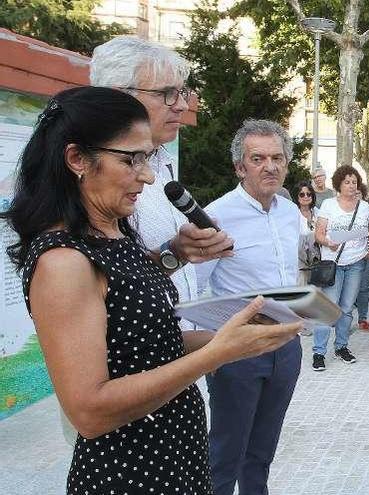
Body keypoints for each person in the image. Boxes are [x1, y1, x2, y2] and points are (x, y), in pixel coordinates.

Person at [2, 87, 300, 494]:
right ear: (77, 159)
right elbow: (89, 410)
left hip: (174, 458)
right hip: (132, 473)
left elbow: (145, 340)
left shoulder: (111, 233)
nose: (147, 174)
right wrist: (218, 353)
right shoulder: (63, 262)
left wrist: (238, 336)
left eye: (146, 158)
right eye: (131, 160)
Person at [90, 36, 233, 330]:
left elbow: (134, 278)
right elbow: (99, 286)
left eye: (182, 92)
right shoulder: (91, 182)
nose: (181, 105)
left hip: (176, 356)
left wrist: (180, 251)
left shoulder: (162, 162)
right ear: (119, 96)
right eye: (167, 93)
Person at [195, 119, 304, 494]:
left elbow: (289, 274)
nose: (269, 166)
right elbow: (194, 287)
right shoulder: (216, 217)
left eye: (277, 158)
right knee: (227, 450)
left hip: (286, 345)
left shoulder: (291, 213)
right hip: (237, 350)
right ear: (240, 167)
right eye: (258, 158)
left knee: (262, 450)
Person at [312, 165, 369, 371]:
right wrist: (329, 242)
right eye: (347, 181)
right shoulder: (329, 205)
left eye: (354, 182)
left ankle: (341, 347)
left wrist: (368, 250)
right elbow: (318, 234)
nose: (351, 185)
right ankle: (319, 352)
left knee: (347, 307)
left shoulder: (364, 207)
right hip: (333, 263)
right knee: (329, 307)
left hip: (356, 262)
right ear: (338, 183)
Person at [355, 181, 369, 331]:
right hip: (347, 256)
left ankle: (362, 318)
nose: (355, 196)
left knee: (363, 288)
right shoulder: (340, 210)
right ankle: (340, 317)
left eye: (358, 193)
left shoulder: (367, 210)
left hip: (366, 254)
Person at [294, 180, 321, 286]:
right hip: (299, 263)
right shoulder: (292, 213)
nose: (306, 196)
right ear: (297, 197)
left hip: (317, 261)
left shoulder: (318, 213)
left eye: (309, 194)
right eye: (302, 194)